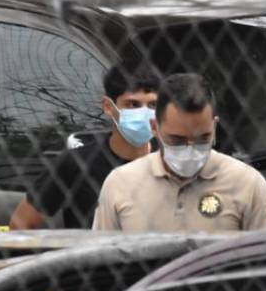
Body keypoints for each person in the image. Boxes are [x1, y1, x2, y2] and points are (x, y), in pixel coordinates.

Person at [93, 72, 266, 232]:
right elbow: (98, 261)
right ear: (154, 127)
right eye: (177, 140)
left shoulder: (246, 184)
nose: (190, 149)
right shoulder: (121, 185)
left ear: (215, 126)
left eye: (202, 139)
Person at [10, 59, 160, 230]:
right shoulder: (76, 164)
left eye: (153, 105)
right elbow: (20, 223)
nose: (144, 113)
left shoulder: (168, 159)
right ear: (108, 107)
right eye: (133, 104)